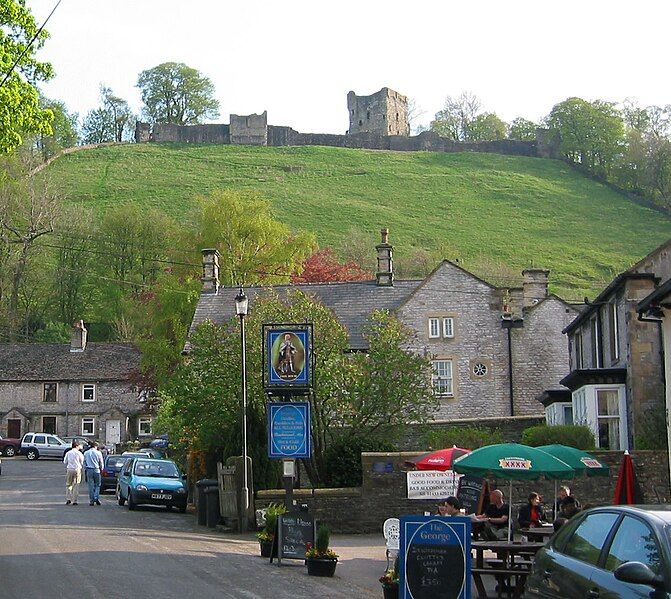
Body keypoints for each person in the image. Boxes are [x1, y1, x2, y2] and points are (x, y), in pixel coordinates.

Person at [83, 440, 105, 506]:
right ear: (95, 446)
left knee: (90, 485)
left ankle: (91, 500)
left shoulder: (86, 453)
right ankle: (96, 497)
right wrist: (102, 469)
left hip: (89, 469)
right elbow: (101, 462)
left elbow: (84, 462)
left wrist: (85, 468)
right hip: (96, 469)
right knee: (98, 484)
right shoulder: (98, 453)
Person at [63, 440, 84, 505]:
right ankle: (74, 500)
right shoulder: (79, 453)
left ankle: (68, 498)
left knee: (69, 484)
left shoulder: (68, 453)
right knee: (76, 484)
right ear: (77, 446)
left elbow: (65, 461)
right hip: (77, 469)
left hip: (70, 469)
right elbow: (82, 462)